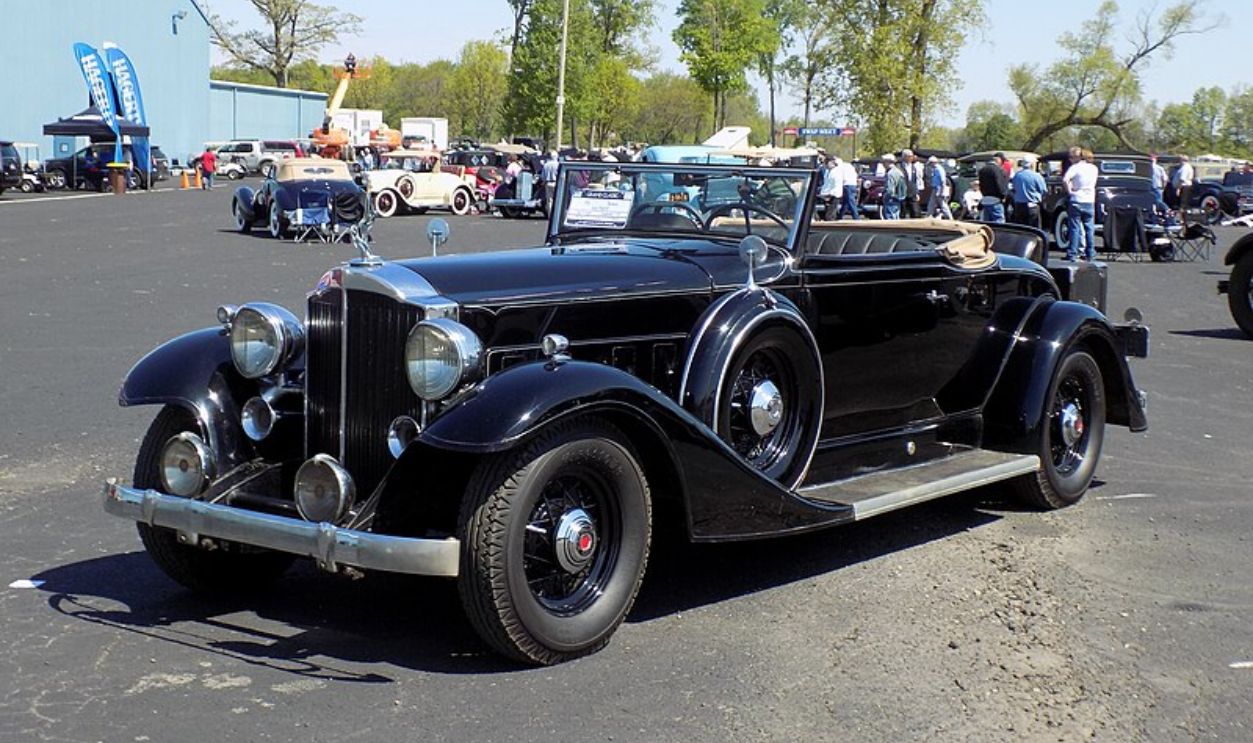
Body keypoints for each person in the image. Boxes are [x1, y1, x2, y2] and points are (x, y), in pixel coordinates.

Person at [1063, 147, 1099, 261]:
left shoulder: (1075, 167)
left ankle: (1072, 253)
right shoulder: (1094, 168)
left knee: (1074, 228)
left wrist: (1070, 191)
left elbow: (1065, 180)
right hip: (1089, 200)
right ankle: (1090, 253)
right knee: (1089, 228)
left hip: (1077, 198)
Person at [1009, 158, 1046, 228]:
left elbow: (1013, 189)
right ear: (1032, 165)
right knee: (1034, 230)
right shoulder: (1036, 176)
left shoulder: (1017, 175)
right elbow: (1043, 190)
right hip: (1032, 205)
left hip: (1019, 206)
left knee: (1021, 229)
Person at [977, 153, 1010, 222]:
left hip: (985, 199)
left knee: (987, 223)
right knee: (999, 222)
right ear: (999, 160)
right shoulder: (998, 170)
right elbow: (1000, 185)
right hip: (996, 200)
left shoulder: (982, 170)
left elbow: (981, 185)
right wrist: (1003, 195)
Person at [901, 149, 924, 218]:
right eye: (909, 156)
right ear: (904, 157)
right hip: (902, 192)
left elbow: (916, 180)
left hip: (913, 192)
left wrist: (917, 193)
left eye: (911, 156)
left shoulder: (915, 167)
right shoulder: (899, 167)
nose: (911, 158)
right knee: (902, 212)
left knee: (915, 212)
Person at [881, 153, 906, 220]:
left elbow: (890, 190)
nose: (883, 164)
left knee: (890, 219)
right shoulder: (898, 171)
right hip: (897, 199)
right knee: (896, 218)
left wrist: (884, 197)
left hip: (891, 200)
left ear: (888, 162)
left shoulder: (890, 174)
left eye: (884, 162)